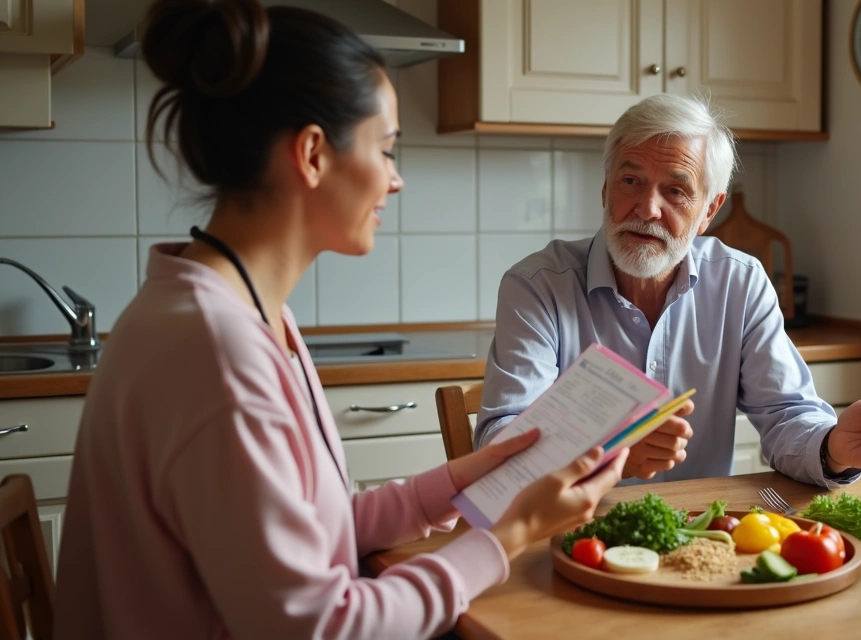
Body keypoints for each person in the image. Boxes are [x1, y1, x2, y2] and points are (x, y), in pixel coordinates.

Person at [53, 1, 626, 638]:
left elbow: (310, 533)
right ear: (313, 154)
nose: (396, 178)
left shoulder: (241, 310)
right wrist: (511, 535)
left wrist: (462, 484)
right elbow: (320, 624)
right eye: (385, 148)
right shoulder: (215, 350)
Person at [475, 94, 861, 488]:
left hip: (697, 540)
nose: (647, 208)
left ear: (709, 210)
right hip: (565, 534)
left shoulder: (741, 283)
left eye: (676, 190)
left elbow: (786, 415)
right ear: (606, 189)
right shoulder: (536, 287)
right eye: (631, 181)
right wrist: (610, 457)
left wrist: (834, 447)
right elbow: (501, 445)